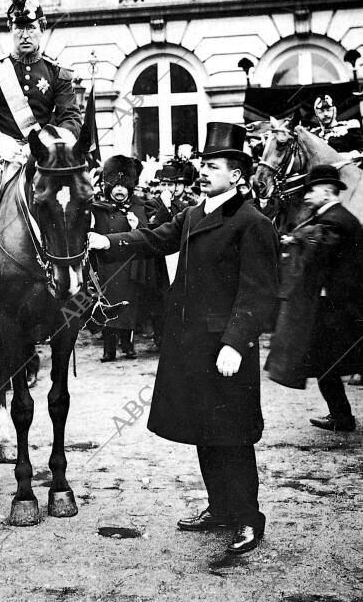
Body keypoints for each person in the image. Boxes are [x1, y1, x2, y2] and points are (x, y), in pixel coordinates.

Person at [89, 122, 279, 556]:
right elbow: (154, 239)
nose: (204, 171)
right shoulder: (195, 214)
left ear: (237, 174)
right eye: (204, 164)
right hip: (192, 345)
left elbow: (259, 291)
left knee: (232, 434)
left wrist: (235, 342)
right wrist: (106, 240)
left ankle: (248, 518)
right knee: (204, 429)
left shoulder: (253, 223)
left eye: (213, 166)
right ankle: (220, 507)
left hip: (226, 349)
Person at [0, 0, 82, 271]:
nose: (24, 35)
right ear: (10, 29)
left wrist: (48, 143)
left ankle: (86, 282)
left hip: (43, 156)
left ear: (42, 28)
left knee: (75, 203)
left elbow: (71, 118)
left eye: (31, 28)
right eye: (19, 28)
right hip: (0, 156)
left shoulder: (56, 73)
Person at [273, 166, 362, 430]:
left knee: (328, 360)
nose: (307, 196)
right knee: (327, 362)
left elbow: (319, 254)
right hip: (338, 306)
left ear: (326, 192)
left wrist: (295, 239)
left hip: (341, 308)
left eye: (311, 190)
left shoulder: (335, 219)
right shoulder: (334, 217)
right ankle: (341, 416)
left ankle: (343, 417)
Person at [91, 156, 166, 362]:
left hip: (129, 268)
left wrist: (137, 226)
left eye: (124, 186)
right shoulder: (97, 208)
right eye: (115, 186)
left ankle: (127, 344)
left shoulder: (139, 207)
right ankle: (109, 349)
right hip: (106, 267)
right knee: (107, 307)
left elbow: (147, 238)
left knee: (127, 307)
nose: (119, 191)